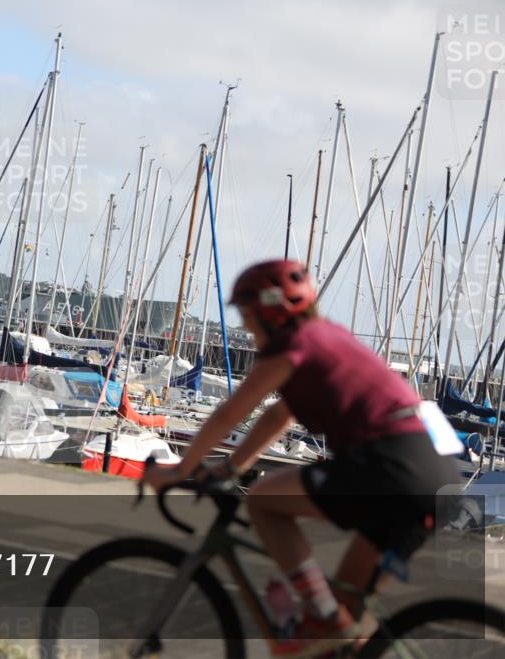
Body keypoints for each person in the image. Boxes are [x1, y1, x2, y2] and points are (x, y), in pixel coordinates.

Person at [143, 259, 460, 659]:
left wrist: (182, 470)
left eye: (246, 314)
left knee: (261, 500)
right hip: (435, 470)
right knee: (342, 625)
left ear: (270, 311)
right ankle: (330, 624)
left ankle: (322, 618)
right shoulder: (326, 337)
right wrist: (231, 467)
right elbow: (280, 414)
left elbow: (230, 412)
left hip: (392, 463)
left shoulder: (292, 347)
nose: (244, 326)